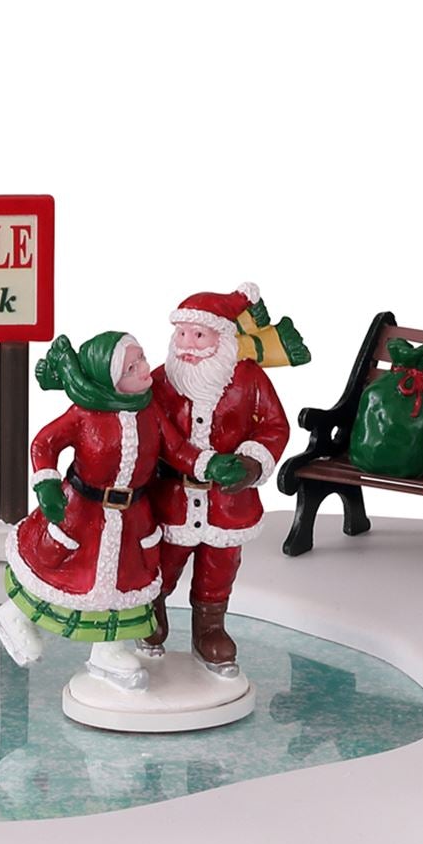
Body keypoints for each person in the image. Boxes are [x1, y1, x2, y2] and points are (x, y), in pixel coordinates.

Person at [0, 330, 166, 690]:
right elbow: (44, 443)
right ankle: (14, 615)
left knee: (125, 582)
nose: (144, 368)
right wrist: (46, 482)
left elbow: (175, 448)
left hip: (132, 517)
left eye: (141, 359)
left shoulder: (151, 411)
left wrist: (208, 465)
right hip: (81, 511)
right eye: (131, 367)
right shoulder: (84, 414)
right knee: (56, 570)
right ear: (109, 378)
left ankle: (108, 651)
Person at [147, 285, 291, 674]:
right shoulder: (161, 382)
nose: (187, 345)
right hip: (173, 498)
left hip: (227, 503)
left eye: (199, 335)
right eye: (181, 334)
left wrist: (252, 463)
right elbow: (148, 429)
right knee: (162, 562)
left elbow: (274, 426)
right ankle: (151, 610)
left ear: (224, 338)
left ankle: (210, 627)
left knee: (219, 567)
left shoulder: (249, 379)